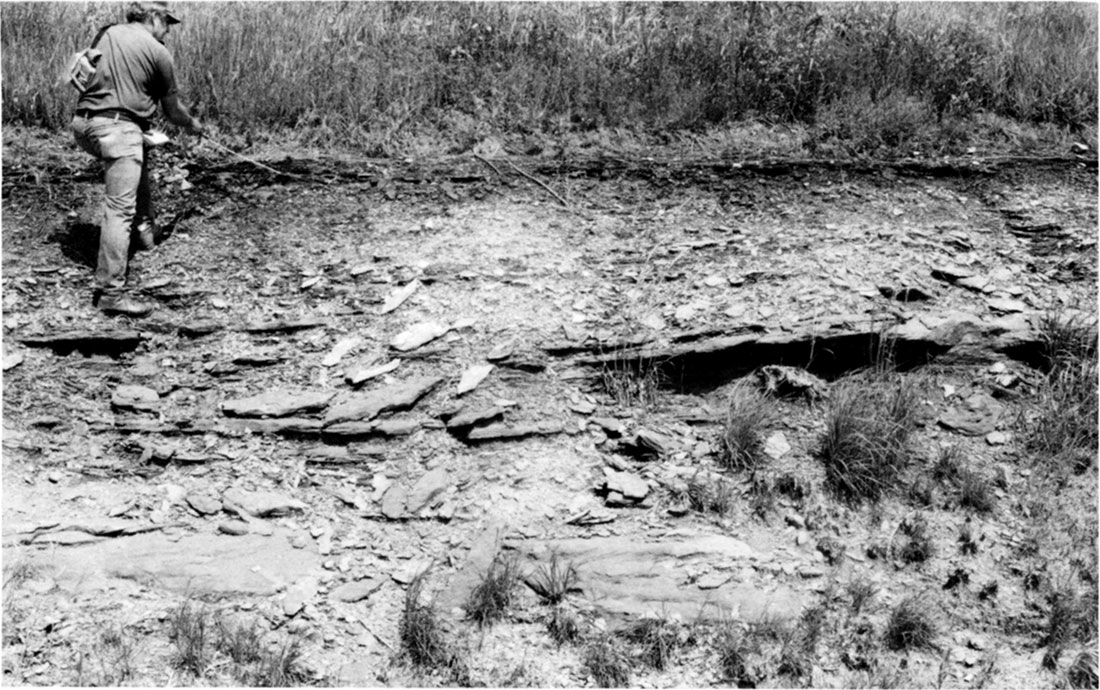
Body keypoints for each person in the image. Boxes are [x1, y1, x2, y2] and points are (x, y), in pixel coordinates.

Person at [70, 0, 203, 317]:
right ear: (154, 17)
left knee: (136, 156)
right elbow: (173, 112)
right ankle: (111, 294)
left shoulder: (106, 33)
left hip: (83, 124)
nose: (169, 30)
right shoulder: (159, 53)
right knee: (119, 208)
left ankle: (144, 236)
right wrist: (193, 124)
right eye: (167, 22)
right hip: (117, 130)